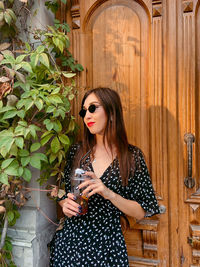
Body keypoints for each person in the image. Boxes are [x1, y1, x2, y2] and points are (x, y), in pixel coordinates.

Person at [49, 87, 160, 266]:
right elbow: (61, 192)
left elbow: (141, 211)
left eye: (93, 108)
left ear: (111, 111)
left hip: (108, 248)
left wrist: (108, 193)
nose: (87, 115)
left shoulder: (132, 157)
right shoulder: (77, 152)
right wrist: (65, 203)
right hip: (70, 246)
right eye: (84, 111)